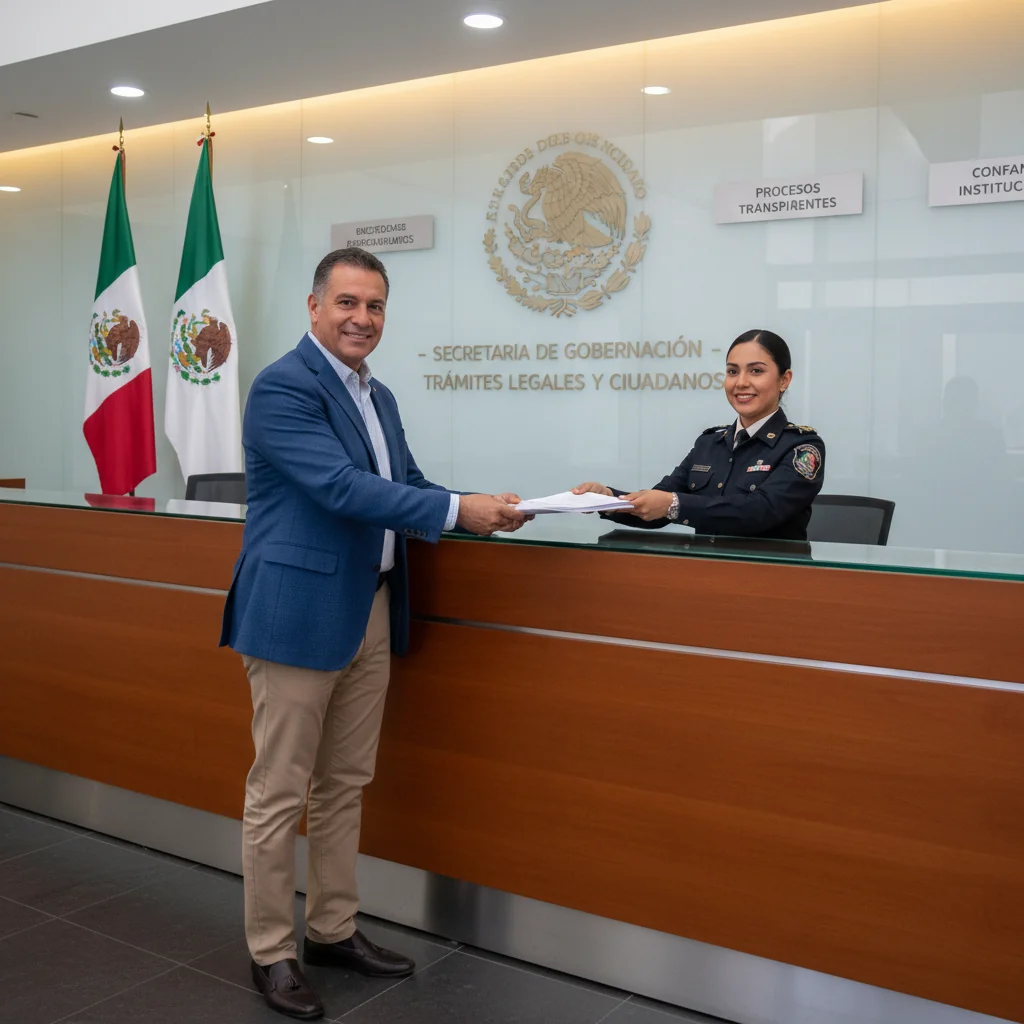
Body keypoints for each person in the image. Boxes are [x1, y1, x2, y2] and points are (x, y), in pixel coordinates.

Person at [220, 247, 526, 1020]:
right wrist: (456, 512)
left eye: (376, 306)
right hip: (296, 613)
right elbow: (340, 487)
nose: (363, 319)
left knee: (345, 784)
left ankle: (331, 930)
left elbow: (405, 486)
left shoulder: (376, 394)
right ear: (314, 306)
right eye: (348, 302)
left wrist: (482, 507)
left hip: (371, 608)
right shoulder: (284, 385)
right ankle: (271, 950)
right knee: (279, 791)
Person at [574, 329, 825, 540]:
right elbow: (658, 505)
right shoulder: (710, 443)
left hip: (769, 578)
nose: (741, 382)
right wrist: (608, 499)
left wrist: (674, 505)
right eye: (732, 371)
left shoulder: (802, 447)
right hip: (703, 574)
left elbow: (760, 511)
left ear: (784, 380)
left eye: (756, 371)